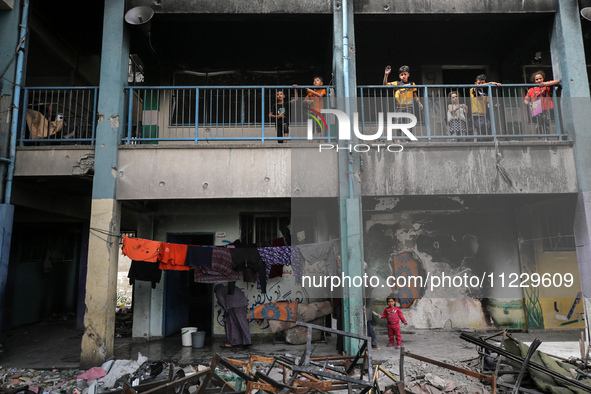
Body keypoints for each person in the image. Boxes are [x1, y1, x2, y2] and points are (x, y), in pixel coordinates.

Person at [383, 65, 423, 140]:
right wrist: (386, 74)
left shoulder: (412, 84)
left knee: (409, 124)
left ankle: (408, 140)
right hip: (399, 107)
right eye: (402, 75)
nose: (403, 76)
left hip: (409, 107)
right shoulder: (396, 83)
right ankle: (398, 140)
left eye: (405, 74)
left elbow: (415, 95)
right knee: (398, 124)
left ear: (408, 75)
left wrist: (419, 103)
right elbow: (385, 85)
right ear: (399, 76)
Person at [523, 70, 560, 137]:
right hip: (535, 107)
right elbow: (525, 100)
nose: (539, 80)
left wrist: (546, 84)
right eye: (536, 79)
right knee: (538, 124)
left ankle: (547, 138)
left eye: (540, 78)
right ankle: (540, 138)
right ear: (534, 81)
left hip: (546, 107)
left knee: (546, 124)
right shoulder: (531, 89)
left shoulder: (546, 86)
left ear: (543, 78)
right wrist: (530, 104)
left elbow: (557, 81)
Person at [215, 283, 252, 348]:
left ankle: (234, 342)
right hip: (243, 303)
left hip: (233, 305)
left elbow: (223, 302)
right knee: (243, 322)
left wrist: (226, 312)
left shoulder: (218, 291)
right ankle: (247, 341)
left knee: (231, 324)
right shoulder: (229, 287)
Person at [470, 74, 501, 140]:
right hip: (476, 113)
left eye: (483, 83)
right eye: (479, 83)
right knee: (483, 127)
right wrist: (491, 83)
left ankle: (482, 143)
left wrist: (494, 106)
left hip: (483, 114)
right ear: (475, 83)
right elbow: (477, 87)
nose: (481, 84)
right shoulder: (473, 90)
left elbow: (488, 105)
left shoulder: (484, 93)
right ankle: (489, 140)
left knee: (482, 129)